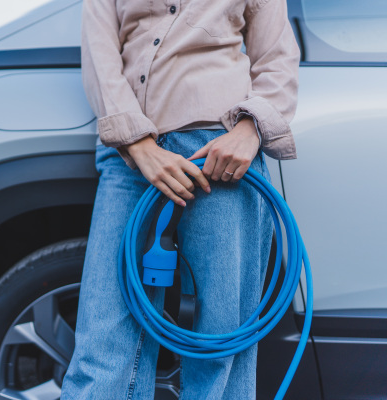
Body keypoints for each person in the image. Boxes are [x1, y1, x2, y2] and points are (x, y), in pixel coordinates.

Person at [61, 0, 301, 398]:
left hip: (219, 153)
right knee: (101, 345)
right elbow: (99, 51)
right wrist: (138, 144)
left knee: (220, 346)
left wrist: (250, 130)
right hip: (131, 157)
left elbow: (277, 59)